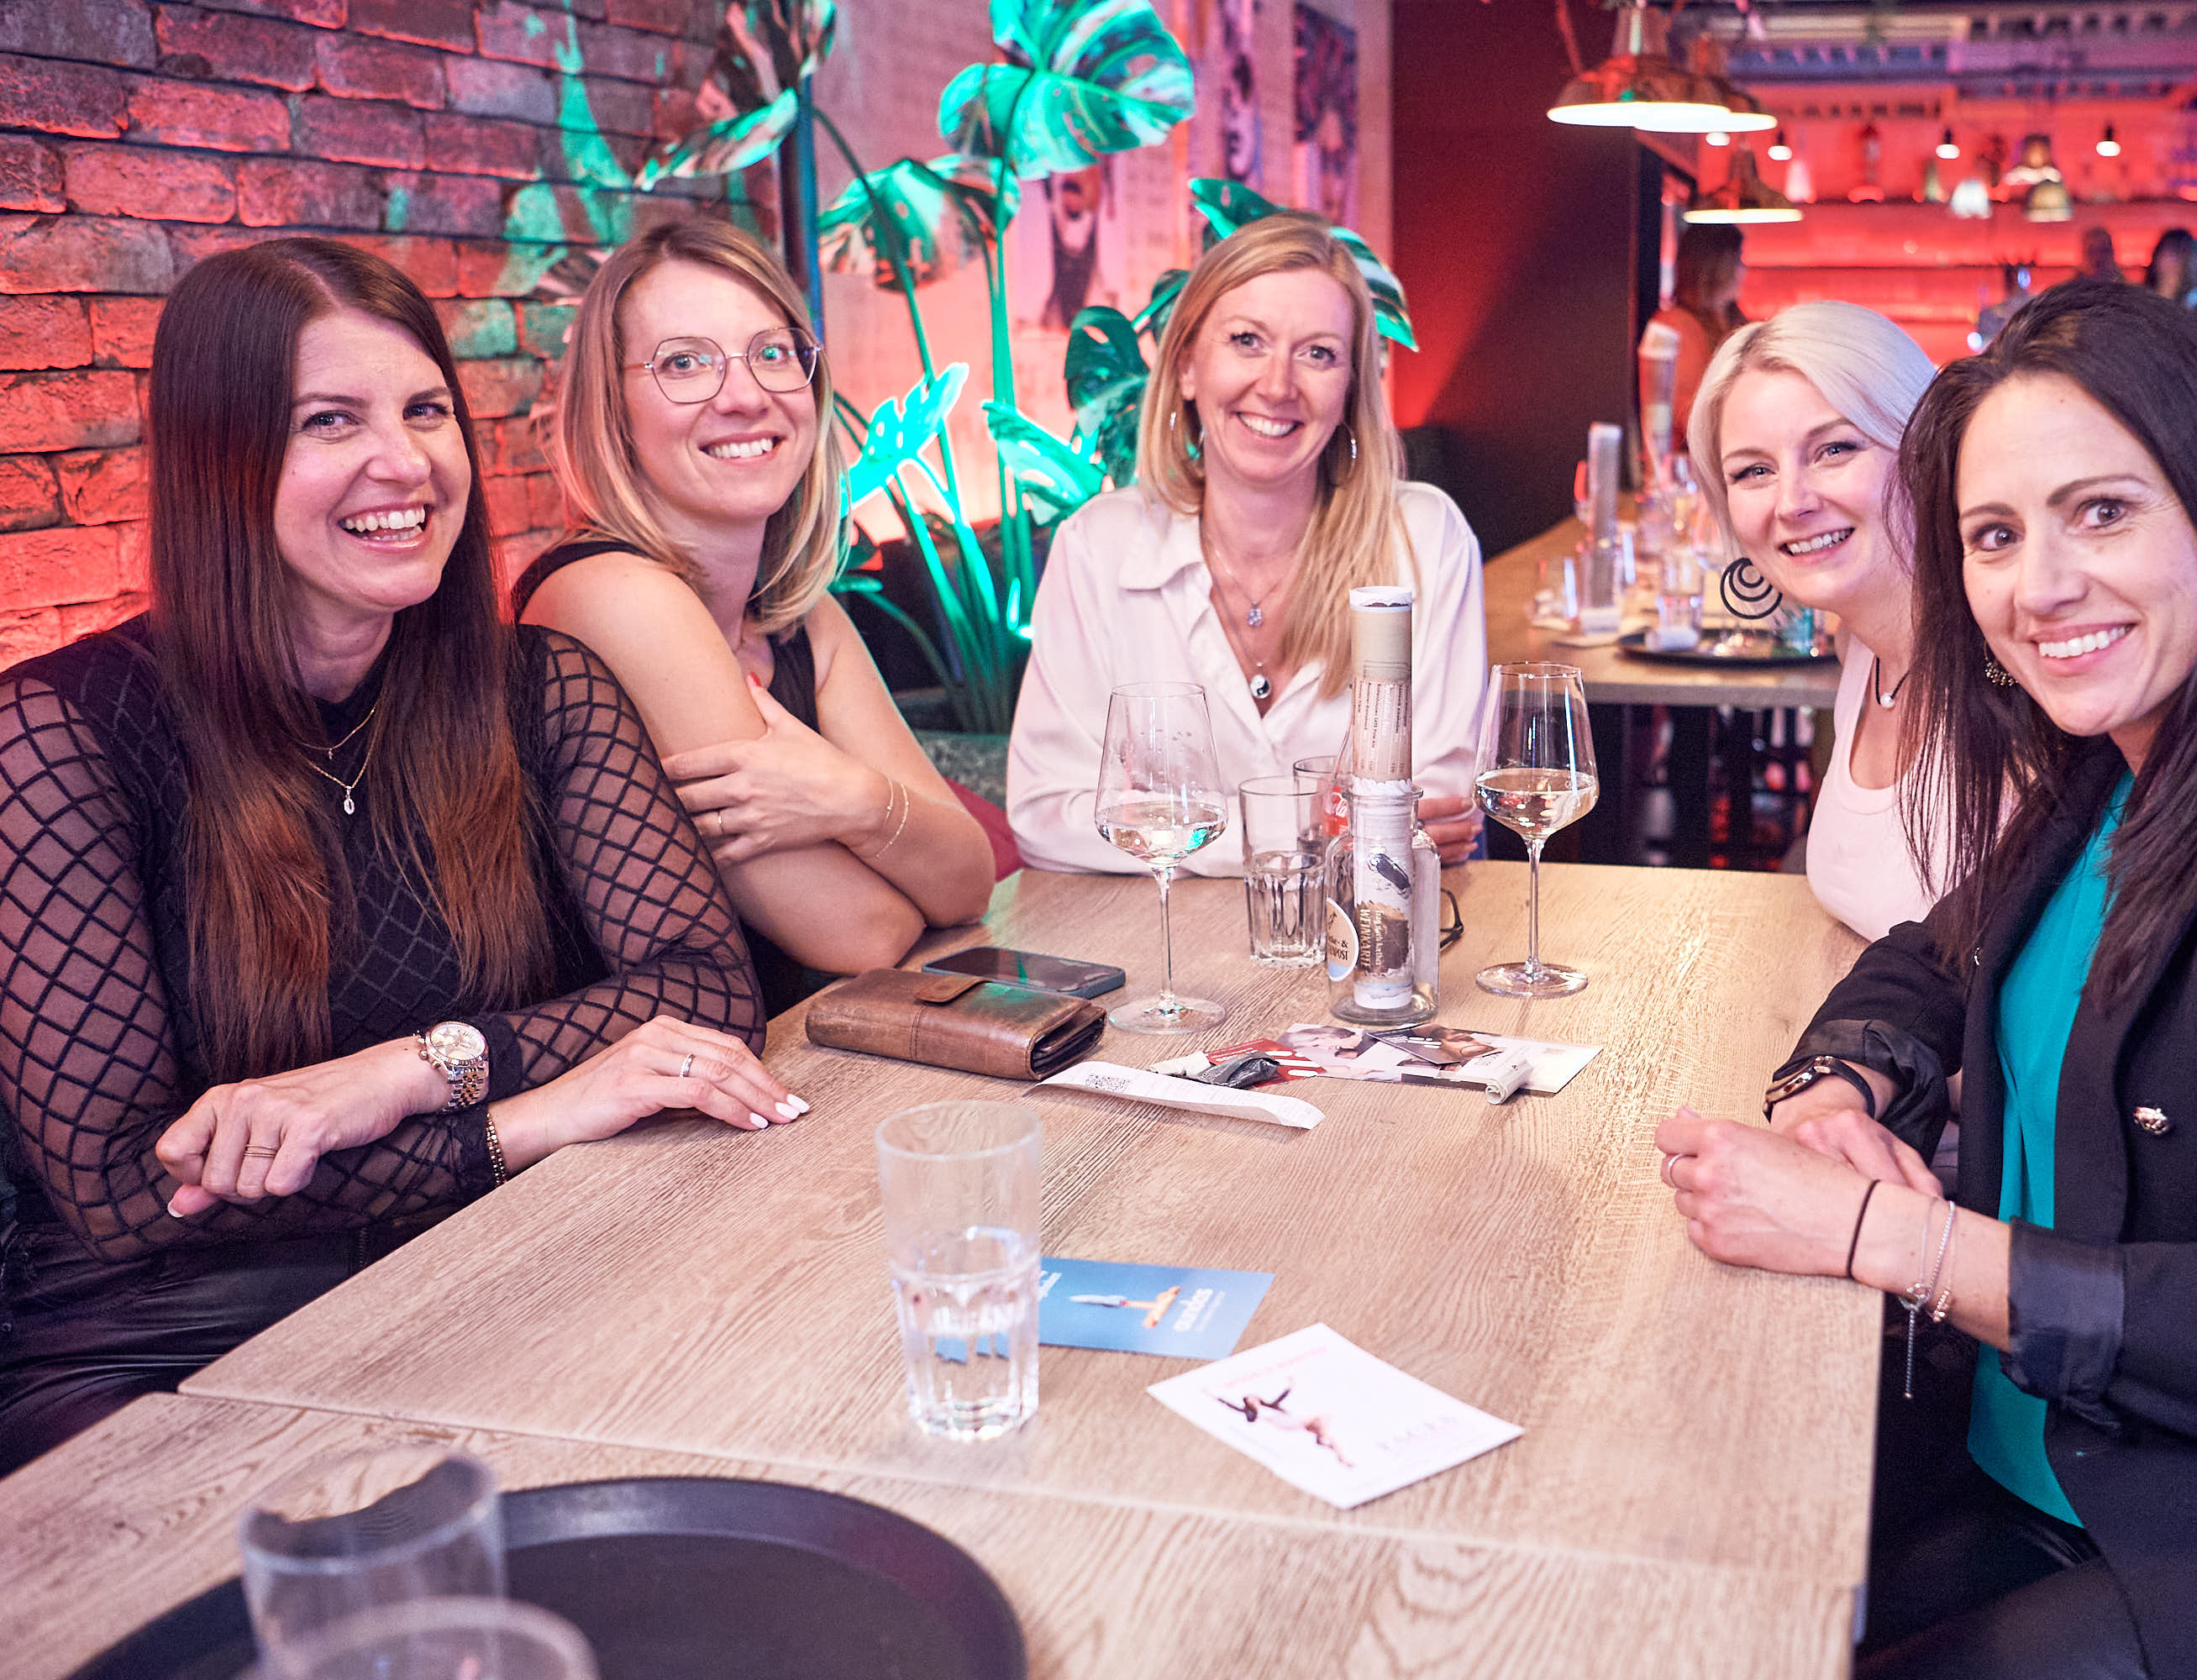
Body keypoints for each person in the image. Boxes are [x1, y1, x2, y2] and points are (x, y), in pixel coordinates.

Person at [1658, 277, 2197, 1677]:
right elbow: (1928, 958)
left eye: (2102, 512)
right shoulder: (2104, 766)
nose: (2039, 586)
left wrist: (1881, 1236)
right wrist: (1837, 1088)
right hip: (2041, 1456)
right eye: (1995, 535)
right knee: (1688, 1584)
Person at [0, 239, 794, 1474]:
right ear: (220, 459)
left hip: (495, 1266)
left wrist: (413, 1073)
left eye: (426, 411)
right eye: (331, 420)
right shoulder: (60, 732)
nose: (407, 462)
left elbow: (705, 988)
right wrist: (520, 1121)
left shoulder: (539, 687)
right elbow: (126, 1189)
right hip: (174, 1338)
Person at [518, 220, 994, 1015]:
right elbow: (865, 934)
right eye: (684, 363)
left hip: (793, 1061)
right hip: (613, 1085)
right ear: (613, 407)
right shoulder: (608, 594)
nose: (744, 396)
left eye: (772, 353)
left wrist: (848, 797)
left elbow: (969, 880)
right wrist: (894, 831)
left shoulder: (799, 617)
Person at [1007, 213, 1484, 874]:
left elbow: (1439, 811)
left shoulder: (1424, 538)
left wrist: (1175, 826)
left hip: (1369, 933)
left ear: (1350, 388)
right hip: (1155, 937)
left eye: (1318, 354)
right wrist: (1320, 824)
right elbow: (1047, 816)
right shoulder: (1097, 546)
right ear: (1187, 368)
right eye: (1247, 341)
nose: (1278, 385)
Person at [1686, 301, 1942, 941]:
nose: (1792, 502)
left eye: (1834, 449)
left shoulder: (2005, 673)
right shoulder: (1860, 645)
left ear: (1925, 445)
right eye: (1754, 471)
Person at [1639, 223, 1751, 464]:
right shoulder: (1674, 326)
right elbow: (1687, 415)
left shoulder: (1736, 321)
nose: (1744, 270)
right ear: (1714, 267)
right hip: (1689, 467)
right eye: (1737, 260)